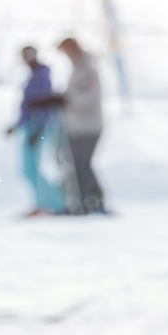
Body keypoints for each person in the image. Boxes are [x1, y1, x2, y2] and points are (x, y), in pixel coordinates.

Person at [6, 46, 65, 217]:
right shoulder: (32, 76)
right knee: (28, 168)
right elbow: (27, 106)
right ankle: (42, 203)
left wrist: (37, 130)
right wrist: (15, 126)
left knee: (35, 167)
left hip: (38, 126)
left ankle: (51, 204)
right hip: (29, 125)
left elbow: (42, 104)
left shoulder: (43, 75)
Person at [56, 37, 105, 214]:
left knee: (83, 164)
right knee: (77, 165)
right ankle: (83, 203)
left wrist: (65, 100)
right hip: (76, 126)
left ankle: (96, 202)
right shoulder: (77, 68)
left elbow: (87, 96)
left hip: (89, 127)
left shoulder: (88, 69)